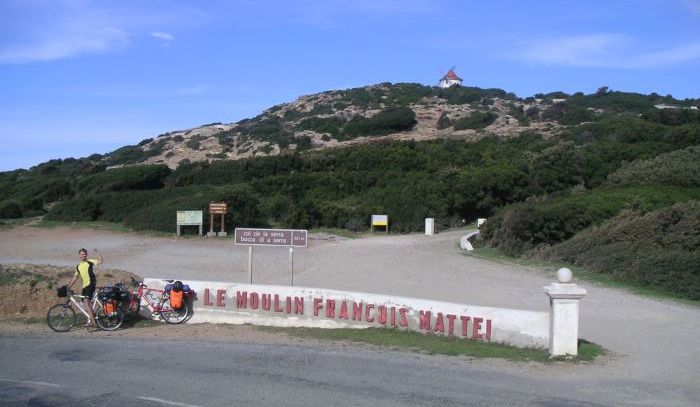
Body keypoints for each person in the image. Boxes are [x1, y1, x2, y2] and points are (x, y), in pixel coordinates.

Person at [68, 248, 104, 327]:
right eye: (81, 254)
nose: (83, 256)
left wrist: (98, 252)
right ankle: (91, 319)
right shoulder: (78, 266)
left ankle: (94, 322)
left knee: (86, 302)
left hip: (91, 284)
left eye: (84, 254)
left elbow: (101, 261)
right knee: (84, 304)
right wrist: (68, 286)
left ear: (86, 255)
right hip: (85, 286)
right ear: (79, 255)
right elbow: (75, 277)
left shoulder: (90, 261)